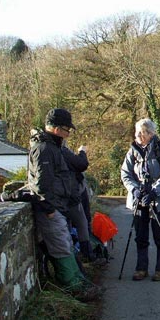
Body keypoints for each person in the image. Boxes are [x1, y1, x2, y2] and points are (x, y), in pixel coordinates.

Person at [27, 108, 101, 301]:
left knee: (65, 243)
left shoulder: (51, 147)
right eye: (67, 129)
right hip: (52, 209)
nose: (69, 134)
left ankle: (79, 282)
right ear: (58, 129)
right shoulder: (45, 149)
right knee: (60, 245)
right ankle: (75, 288)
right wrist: (50, 209)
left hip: (59, 206)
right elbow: (42, 183)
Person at [121, 118, 160, 282]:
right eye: (136, 132)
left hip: (159, 200)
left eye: (141, 132)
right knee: (141, 236)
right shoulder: (132, 151)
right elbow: (125, 173)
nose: (137, 135)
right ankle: (141, 268)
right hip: (139, 200)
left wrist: (153, 191)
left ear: (150, 134)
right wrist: (135, 190)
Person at [60, 143, 98, 264]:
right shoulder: (62, 151)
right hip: (72, 194)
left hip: (67, 193)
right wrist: (82, 152)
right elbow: (82, 164)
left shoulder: (53, 151)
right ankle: (86, 254)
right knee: (82, 223)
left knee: (75, 225)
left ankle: (81, 253)